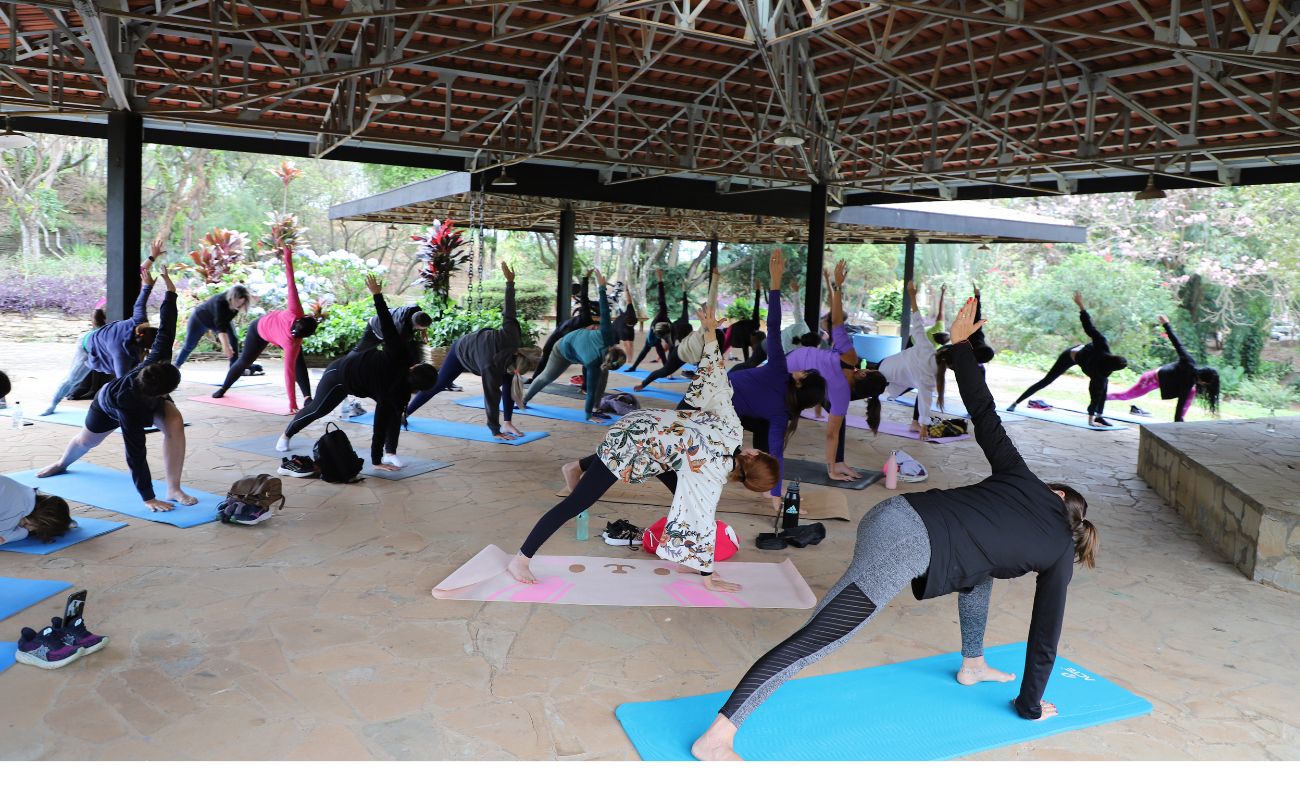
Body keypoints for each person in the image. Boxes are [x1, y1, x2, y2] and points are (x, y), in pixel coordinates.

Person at [690, 298, 1099, 760]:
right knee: (823, 635)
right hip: (905, 543)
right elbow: (1046, 634)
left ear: (1058, 496)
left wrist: (962, 347)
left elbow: (985, 414)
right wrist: (1030, 706)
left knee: (981, 572)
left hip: (897, 513)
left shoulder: (1023, 480)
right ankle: (719, 735)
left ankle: (973, 663)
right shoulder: (1059, 551)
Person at [508, 306, 780, 592]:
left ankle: (684, 558)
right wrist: (707, 576)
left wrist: (711, 335)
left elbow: (717, 380)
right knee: (578, 502)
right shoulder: (710, 476)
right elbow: (701, 516)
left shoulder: (732, 430)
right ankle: (521, 559)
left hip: (651, 429)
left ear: (753, 455)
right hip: (633, 442)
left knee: (680, 489)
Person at [36, 265, 198, 512]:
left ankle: (173, 488)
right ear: (161, 391)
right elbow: (135, 454)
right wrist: (147, 497)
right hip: (107, 407)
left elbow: (167, 325)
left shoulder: (157, 359)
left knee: (174, 422)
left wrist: (170, 291)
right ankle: (61, 462)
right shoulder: (127, 404)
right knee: (85, 441)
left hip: (148, 398)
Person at [276, 275, 438, 470]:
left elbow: (381, 423)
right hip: (341, 374)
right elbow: (387, 325)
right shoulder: (399, 354)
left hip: (368, 384)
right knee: (319, 409)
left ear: (415, 369)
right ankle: (287, 434)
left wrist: (377, 461)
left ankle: (390, 453)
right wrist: (377, 296)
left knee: (394, 414)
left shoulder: (397, 393)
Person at [724, 250, 826, 509]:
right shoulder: (784, 414)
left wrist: (775, 282)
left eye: (805, 373)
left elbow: (773, 323)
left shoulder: (778, 369)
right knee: (762, 432)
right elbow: (778, 452)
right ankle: (765, 487)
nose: (801, 369)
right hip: (717, 398)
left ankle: (765, 487)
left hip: (721, 402)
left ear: (800, 383)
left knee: (762, 431)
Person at [405, 261, 534, 439]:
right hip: (462, 350)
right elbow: (491, 399)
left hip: (484, 348)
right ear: (516, 353)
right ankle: (405, 413)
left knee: (508, 381)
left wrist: (510, 282)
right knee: (438, 384)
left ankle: (508, 423)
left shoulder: (511, 336)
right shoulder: (491, 368)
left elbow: (510, 310)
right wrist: (495, 431)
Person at [787, 261, 875, 481]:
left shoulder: (843, 383)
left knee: (837, 420)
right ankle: (838, 462)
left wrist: (837, 285)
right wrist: (833, 285)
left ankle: (838, 462)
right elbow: (836, 320)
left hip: (802, 370)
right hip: (793, 366)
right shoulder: (847, 367)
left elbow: (831, 434)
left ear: (863, 374)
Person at [212, 245, 318, 412]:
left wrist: (288, 256)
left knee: (298, 362)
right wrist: (291, 404)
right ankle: (224, 388)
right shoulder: (293, 337)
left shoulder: (296, 318)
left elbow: (292, 284)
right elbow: (288, 374)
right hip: (259, 330)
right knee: (245, 361)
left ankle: (307, 398)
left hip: (275, 332)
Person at [1007, 291, 1128, 427]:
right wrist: (1081, 306)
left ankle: (1099, 416)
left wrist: (1090, 420)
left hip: (1086, 361)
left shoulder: (1101, 374)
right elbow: (1089, 327)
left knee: (1104, 385)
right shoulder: (1102, 345)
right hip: (1070, 355)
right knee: (1047, 380)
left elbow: (1095, 394)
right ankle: (1015, 403)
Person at [523, 269, 625, 420]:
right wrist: (587, 416)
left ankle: (597, 407)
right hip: (563, 350)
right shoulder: (593, 360)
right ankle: (523, 400)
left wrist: (602, 288)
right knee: (546, 377)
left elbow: (605, 310)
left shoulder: (605, 345)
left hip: (581, 350)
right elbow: (590, 390)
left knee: (603, 375)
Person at [79, 239, 167, 385]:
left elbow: (141, 271)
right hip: (101, 335)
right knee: (95, 365)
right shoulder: (109, 303)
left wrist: (153, 257)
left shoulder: (137, 321)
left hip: (111, 336)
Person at [1106, 314, 1220, 422]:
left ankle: (1180, 421)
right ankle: (1102, 397)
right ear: (1204, 381)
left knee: (1191, 393)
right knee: (1126, 396)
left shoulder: (1190, 381)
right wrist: (1166, 325)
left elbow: (1181, 404)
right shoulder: (1188, 364)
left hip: (1164, 383)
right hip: (1151, 379)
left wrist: (1177, 421)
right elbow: (1177, 344)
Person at [874, 280, 945, 437]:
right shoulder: (930, 376)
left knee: (920, 388)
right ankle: (915, 422)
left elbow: (917, 321)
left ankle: (914, 422)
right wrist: (925, 427)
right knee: (921, 389)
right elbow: (926, 400)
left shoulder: (928, 347)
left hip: (888, 365)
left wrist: (912, 295)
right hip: (888, 373)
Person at [41, 308, 108, 416]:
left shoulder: (107, 333)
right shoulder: (91, 337)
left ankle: (53, 404)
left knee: (71, 380)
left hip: (94, 350)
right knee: (71, 379)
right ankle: (52, 405)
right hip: (86, 350)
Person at [531, 272, 595, 383]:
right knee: (546, 353)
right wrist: (585, 279)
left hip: (564, 335)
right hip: (561, 330)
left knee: (587, 361)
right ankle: (534, 379)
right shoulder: (586, 316)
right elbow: (584, 297)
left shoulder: (589, 332)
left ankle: (586, 385)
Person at [173, 285, 252, 368]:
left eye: (241, 304)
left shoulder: (236, 307)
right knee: (189, 345)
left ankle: (234, 367)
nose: (238, 306)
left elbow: (224, 324)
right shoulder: (219, 301)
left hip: (217, 321)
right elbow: (220, 326)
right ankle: (176, 366)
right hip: (199, 319)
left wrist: (228, 344)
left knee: (233, 338)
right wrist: (226, 346)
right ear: (232, 298)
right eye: (237, 303)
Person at [0, 476, 73, 546]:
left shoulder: (25, 491)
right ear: (41, 517)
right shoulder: (17, 511)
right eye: (26, 525)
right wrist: (24, 533)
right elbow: (3, 537)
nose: (30, 529)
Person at [350, 298, 431, 355]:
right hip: (375, 329)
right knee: (360, 351)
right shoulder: (403, 330)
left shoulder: (416, 308)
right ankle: (342, 364)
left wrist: (423, 331)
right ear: (417, 326)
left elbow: (419, 320)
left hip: (387, 322)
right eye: (423, 328)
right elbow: (394, 347)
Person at [627, 270, 673, 371]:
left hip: (660, 333)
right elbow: (662, 298)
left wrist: (669, 343)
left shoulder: (669, 327)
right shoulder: (662, 314)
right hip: (653, 333)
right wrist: (660, 280)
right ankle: (634, 367)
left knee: (663, 349)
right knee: (647, 348)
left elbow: (670, 344)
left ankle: (667, 369)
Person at [614, 291, 638, 365]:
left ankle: (630, 358)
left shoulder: (631, 311)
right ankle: (628, 358)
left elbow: (629, 300)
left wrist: (627, 291)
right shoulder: (622, 326)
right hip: (619, 327)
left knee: (630, 343)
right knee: (626, 343)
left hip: (628, 329)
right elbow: (626, 344)